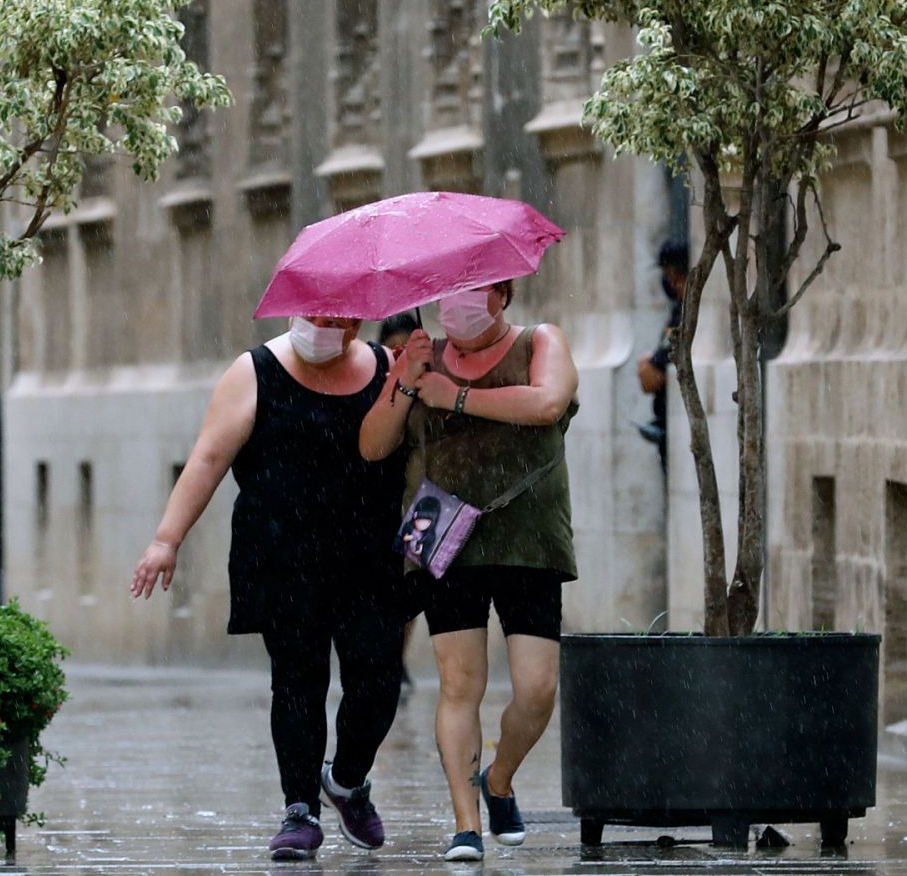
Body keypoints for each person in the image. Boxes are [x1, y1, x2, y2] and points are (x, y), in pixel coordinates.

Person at [131, 315, 410, 862]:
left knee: (377, 681)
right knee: (297, 683)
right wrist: (167, 539)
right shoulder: (254, 370)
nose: (326, 326)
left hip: (369, 556)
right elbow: (209, 457)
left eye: (338, 317)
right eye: (316, 315)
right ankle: (299, 808)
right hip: (283, 553)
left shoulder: (386, 367)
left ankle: (348, 780)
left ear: (356, 320)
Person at [359, 281, 579, 862]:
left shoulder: (539, 342)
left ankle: (499, 778)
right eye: (447, 294)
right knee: (460, 685)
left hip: (530, 541)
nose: (456, 305)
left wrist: (453, 397)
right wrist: (407, 380)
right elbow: (372, 445)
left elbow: (547, 403)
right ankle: (466, 823)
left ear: (503, 294)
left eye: (472, 291)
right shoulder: (421, 359)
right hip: (447, 541)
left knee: (537, 689)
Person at [377, 312, 422, 699]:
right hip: (383, 500)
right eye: (394, 345)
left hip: (422, 505)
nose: (400, 351)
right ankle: (387, 658)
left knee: (413, 589)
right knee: (391, 588)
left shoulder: (431, 377)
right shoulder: (376, 380)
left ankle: (398, 658)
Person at [637, 241, 688, 470]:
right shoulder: (679, 312)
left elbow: (651, 377)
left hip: (679, 430)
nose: (670, 282)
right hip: (670, 427)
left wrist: (646, 363)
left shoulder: (684, 317)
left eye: (671, 274)